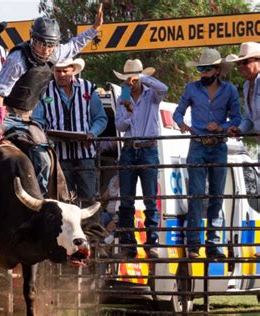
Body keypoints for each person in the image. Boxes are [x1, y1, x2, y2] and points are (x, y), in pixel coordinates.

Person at [0, 5, 105, 209]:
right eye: (40, 43)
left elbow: (75, 44)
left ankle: (41, 200)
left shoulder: (55, 54)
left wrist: (95, 29)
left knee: (44, 155)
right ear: (32, 39)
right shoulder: (17, 59)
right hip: (6, 112)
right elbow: (0, 94)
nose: (44, 49)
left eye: (49, 45)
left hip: (27, 118)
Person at [173, 48, 241, 259]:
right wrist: (182, 124)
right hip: (198, 143)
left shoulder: (230, 90)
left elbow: (237, 118)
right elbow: (178, 112)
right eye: (201, 69)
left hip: (218, 144)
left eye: (206, 69)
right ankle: (194, 244)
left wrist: (221, 126)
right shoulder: (191, 88)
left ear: (217, 70)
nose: (202, 73)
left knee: (217, 196)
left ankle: (213, 243)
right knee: (196, 194)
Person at [32, 58, 107, 206]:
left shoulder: (88, 88)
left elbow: (100, 118)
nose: (60, 74)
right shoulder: (45, 90)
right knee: (64, 200)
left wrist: (92, 133)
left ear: (73, 70)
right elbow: (37, 120)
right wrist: (45, 136)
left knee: (89, 199)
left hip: (85, 153)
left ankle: (89, 229)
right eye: (57, 71)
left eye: (65, 71)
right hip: (59, 155)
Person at [114, 58, 168, 259]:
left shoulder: (151, 94)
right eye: (129, 78)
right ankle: (128, 244)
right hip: (130, 148)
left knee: (150, 201)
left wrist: (144, 77)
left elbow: (164, 88)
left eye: (133, 78)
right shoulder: (123, 97)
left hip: (147, 149)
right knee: (126, 200)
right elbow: (120, 126)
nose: (131, 82)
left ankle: (151, 243)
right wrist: (129, 113)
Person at [225, 42, 260, 258]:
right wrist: (240, 128)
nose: (242, 67)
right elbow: (250, 118)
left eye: (246, 62)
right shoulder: (248, 87)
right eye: (240, 64)